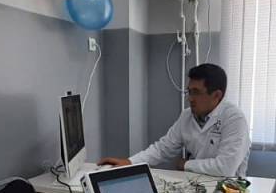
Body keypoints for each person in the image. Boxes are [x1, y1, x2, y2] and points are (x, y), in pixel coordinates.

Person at [99, 63, 251, 177]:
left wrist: (186, 164)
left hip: (229, 191)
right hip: (197, 183)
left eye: (196, 92)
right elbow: (163, 149)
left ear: (217, 95)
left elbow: (225, 168)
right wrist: (130, 162)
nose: (190, 99)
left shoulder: (234, 119)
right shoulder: (187, 116)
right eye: (189, 92)